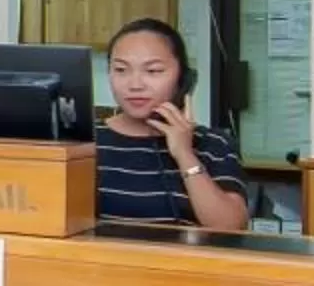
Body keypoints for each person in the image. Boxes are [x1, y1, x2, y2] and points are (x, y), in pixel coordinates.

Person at [97, 17, 251, 230]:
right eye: (121, 70)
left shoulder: (214, 144)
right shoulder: (85, 141)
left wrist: (185, 154)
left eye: (153, 71)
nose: (134, 85)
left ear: (183, 79)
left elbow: (230, 228)